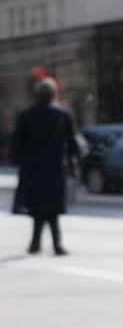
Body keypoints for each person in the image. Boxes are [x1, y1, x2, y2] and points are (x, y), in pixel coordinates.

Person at [11, 77, 79, 255]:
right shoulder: (62, 114)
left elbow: (18, 142)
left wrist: (19, 161)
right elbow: (72, 142)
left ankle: (38, 243)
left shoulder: (26, 114)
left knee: (38, 206)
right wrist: (74, 161)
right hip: (54, 166)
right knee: (51, 206)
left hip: (33, 166)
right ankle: (53, 243)